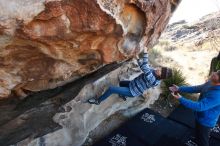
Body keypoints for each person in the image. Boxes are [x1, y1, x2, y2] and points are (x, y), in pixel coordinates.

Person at [88, 50, 173, 105]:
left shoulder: (154, 81)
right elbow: (143, 65)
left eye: (161, 71)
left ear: (161, 76)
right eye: (161, 68)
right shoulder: (154, 71)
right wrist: (137, 58)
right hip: (132, 84)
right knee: (121, 83)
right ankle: (123, 95)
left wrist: (145, 53)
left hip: (132, 91)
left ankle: (98, 101)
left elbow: (145, 68)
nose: (158, 69)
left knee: (111, 89)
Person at [169, 71, 220, 146]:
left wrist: (181, 99)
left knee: (203, 140)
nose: (213, 73)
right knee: (197, 131)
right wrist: (179, 89)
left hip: (206, 121)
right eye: (216, 72)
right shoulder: (210, 82)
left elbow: (199, 107)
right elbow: (196, 88)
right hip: (199, 116)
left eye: (216, 74)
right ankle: (196, 139)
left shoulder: (218, 95)